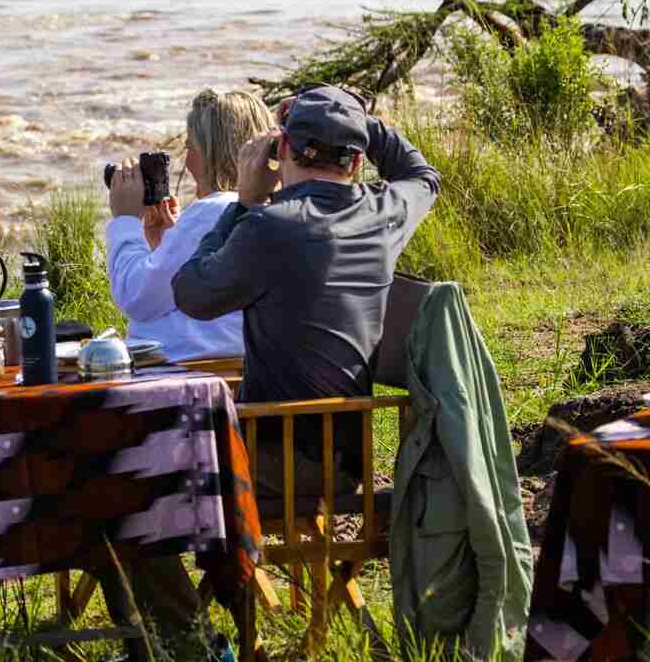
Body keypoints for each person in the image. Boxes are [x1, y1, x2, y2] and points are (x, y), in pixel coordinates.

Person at [171, 86, 441, 495]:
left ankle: (224, 560)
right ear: (356, 159)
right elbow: (423, 176)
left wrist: (244, 202)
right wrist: (353, 119)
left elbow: (190, 294)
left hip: (270, 462)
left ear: (280, 149)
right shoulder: (382, 214)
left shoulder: (268, 227)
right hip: (349, 464)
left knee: (135, 475)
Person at [103, 88, 272, 361]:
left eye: (191, 147)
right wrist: (163, 244)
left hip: (187, 377)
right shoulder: (271, 209)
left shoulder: (212, 211)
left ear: (209, 152)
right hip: (238, 370)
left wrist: (125, 219)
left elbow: (136, 296)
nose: (187, 159)